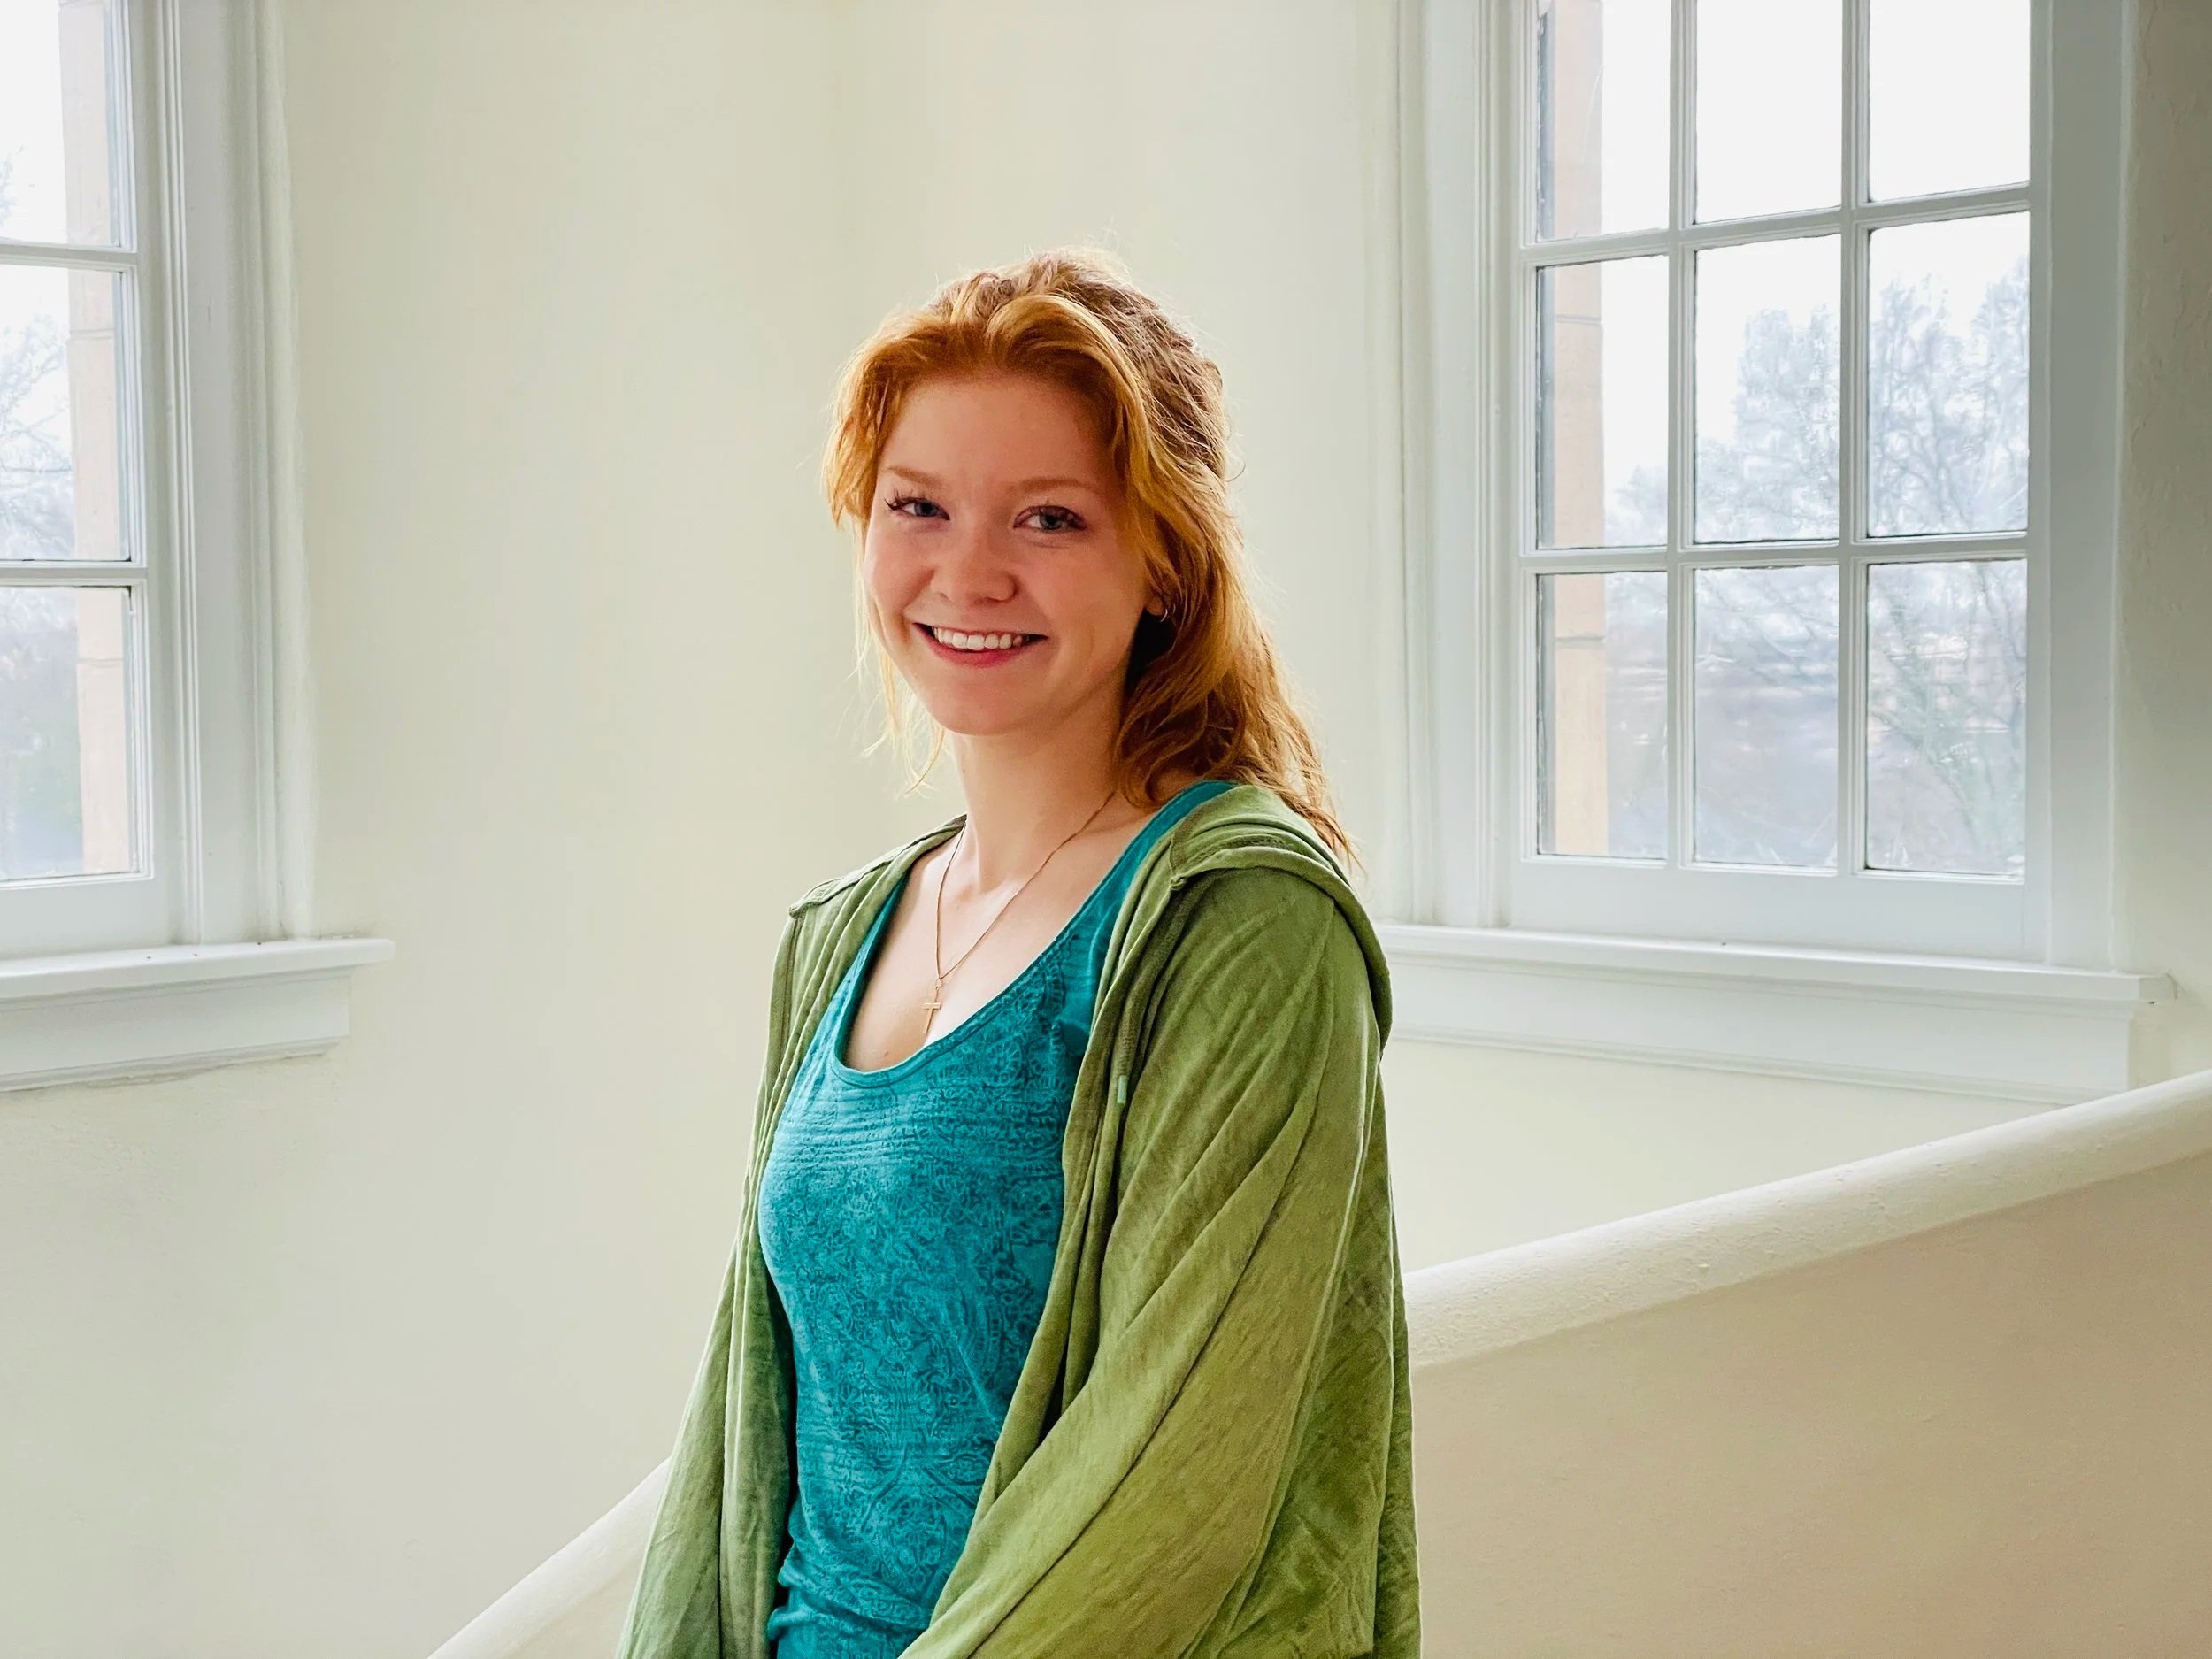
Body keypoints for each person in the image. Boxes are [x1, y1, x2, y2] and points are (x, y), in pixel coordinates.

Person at [615, 246, 1419, 1658]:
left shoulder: (1244, 929)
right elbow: (746, 1435)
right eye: (915, 506)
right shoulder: (842, 937)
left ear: (1165, 559)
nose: (967, 571)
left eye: (1048, 519)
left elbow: (1177, 1475)